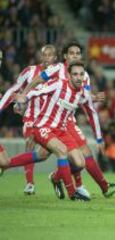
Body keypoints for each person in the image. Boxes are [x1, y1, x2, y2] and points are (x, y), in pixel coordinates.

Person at [17, 41, 115, 199]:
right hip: (51, 120)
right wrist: (24, 96)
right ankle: (64, 182)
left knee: (83, 153)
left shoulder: (84, 75)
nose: (75, 56)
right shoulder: (57, 68)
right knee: (44, 155)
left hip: (68, 120)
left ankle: (100, 186)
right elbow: (39, 81)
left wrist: (98, 132)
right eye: (72, 53)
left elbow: (84, 100)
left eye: (78, 53)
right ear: (66, 56)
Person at [0, 61, 98, 201]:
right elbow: (37, 91)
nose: (78, 77)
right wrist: (23, 97)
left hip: (61, 131)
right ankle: (72, 193)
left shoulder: (81, 91)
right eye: (75, 74)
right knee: (62, 150)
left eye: (81, 74)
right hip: (43, 127)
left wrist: (94, 99)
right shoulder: (59, 84)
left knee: (79, 163)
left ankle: (52, 177)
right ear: (69, 75)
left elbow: (86, 101)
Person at [0, 44, 58, 195]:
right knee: (30, 144)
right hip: (32, 116)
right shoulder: (30, 71)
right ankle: (30, 184)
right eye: (44, 55)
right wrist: (17, 103)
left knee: (45, 155)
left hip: (52, 120)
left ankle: (6, 164)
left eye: (50, 55)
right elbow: (15, 90)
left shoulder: (60, 73)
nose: (46, 58)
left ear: (55, 58)